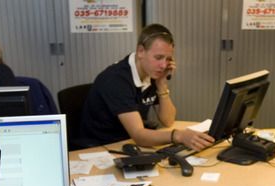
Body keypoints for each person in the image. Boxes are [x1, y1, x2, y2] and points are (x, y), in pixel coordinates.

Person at [79, 23, 214, 150]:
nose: (163, 65)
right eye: (158, 57)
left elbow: (168, 120)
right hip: (99, 148)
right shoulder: (116, 80)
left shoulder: (152, 73)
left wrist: (162, 84)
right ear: (141, 51)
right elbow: (139, 135)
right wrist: (179, 136)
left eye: (168, 59)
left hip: (127, 143)